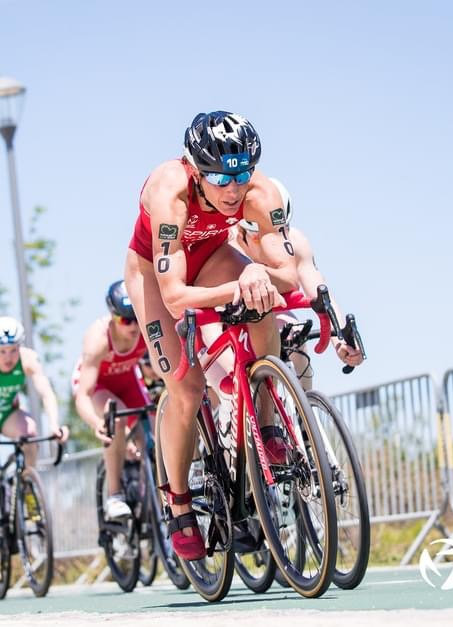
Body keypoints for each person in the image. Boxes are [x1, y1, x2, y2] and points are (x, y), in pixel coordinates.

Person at [123, 111, 301, 561]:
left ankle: (266, 422)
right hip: (156, 276)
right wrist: (245, 282)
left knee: (261, 297)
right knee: (187, 386)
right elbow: (176, 296)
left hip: (213, 257)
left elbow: (289, 273)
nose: (232, 188)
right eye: (219, 177)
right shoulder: (169, 193)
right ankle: (179, 504)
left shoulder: (262, 193)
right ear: (196, 170)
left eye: (241, 174)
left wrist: (256, 278)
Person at [229, 177, 364, 387]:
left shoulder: (296, 242)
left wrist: (339, 339)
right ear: (242, 232)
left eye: (281, 232)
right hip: (234, 314)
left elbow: (319, 291)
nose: (272, 243)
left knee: (295, 335)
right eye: (259, 236)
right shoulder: (230, 247)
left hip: (275, 309)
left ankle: (304, 413)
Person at [0, 316, 69, 583]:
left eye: (13, 350)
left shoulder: (29, 359)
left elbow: (46, 393)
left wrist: (55, 424)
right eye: (2, 351)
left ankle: (26, 485)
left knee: (30, 433)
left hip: (8, 416)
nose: (9, 357)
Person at [71, 280, 151, 520]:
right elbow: (83, 395)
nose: (133, 326)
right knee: (115, 418)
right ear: (113, 316)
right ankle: (114, 494)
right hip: (98, 387)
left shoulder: (146, 328)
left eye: (137, 317)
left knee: (154, 427)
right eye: (126, 320)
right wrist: (97, 424)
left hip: (127, 381)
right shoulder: (98, 339)